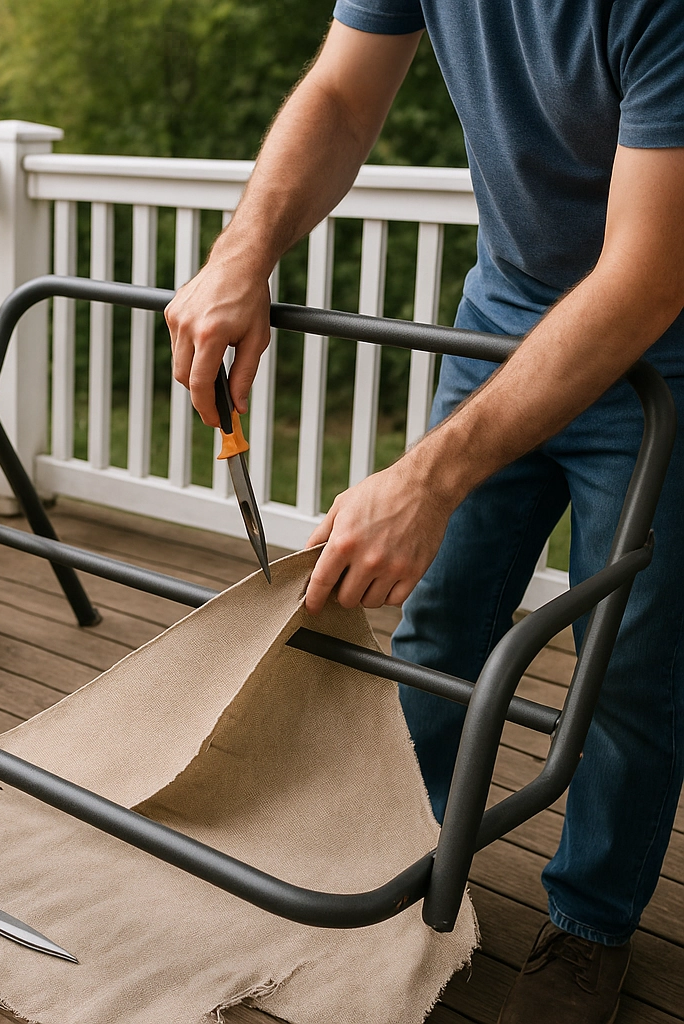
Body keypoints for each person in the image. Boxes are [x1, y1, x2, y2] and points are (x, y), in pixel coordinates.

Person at [164, 4, 684, 1021]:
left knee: (627, 661)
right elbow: (340, 94)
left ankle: (588, 927)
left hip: (660, 346)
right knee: (440, 617)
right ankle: (393, 864)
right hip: (506, 310)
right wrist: (243, 248)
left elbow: (644, 275)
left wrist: (426, 480)